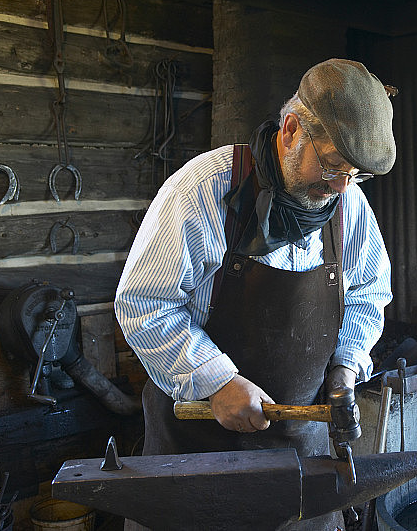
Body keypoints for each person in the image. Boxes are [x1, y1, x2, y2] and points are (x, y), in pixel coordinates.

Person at [114, 58, 395, 530]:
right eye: (330, 166)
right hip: (195, 453)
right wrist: (217, 380)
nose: (341, 187)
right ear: (290, 131)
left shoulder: (348, 206)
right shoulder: (202, 191)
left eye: (355, 175)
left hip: (299, 460)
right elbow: (144, 302)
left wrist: (346, 367)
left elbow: (367, 294)